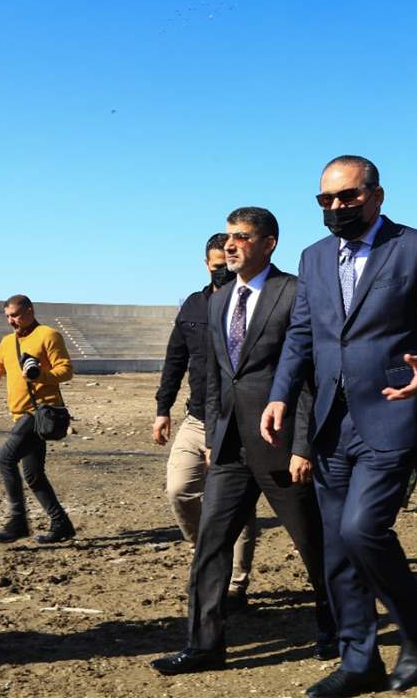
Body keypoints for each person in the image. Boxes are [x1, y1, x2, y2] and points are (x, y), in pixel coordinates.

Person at [262, 156, 417, 696]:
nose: (336, 207)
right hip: (330, 422)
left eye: (348, 196)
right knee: (337, 550)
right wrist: (281, 395)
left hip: (391, 411)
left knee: (362, 530)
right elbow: (302, 334)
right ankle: (360, 661)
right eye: (326, 199)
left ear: (376, 195)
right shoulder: (314, 257)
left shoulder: (416, 248)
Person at [151, 207, 336, 676]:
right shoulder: (218, 301)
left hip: (281, 446)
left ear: (269, 243)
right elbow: (216, 377)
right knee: (211, 544)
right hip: (230, 448)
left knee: (313, 542)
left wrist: (303, 445)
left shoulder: (294, 292)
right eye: (229, 236)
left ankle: (334, 626)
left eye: (243, 237)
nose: (231, 245)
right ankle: (203, 646)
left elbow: (311, 377)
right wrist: (214, 436)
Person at [153, 233, 259, 611]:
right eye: (216, 266)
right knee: (179, 489)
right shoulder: (194, 306)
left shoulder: (253, 304)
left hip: (240, 422)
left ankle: (235, 583)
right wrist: (162, 409)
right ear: (206, 264)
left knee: (238, 504)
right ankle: (208, 552)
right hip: (197, 418)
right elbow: (175, 360)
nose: (222, 272)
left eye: (227, 265)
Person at [0, 295, 76, 545]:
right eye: (8, 316)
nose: (11, 321)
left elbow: (66, 370)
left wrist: (39, 375)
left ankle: (18, 522)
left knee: (4, 459)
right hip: (21, 416)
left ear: (30, 311)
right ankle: (61, 523)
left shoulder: (48, 335)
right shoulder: (7, 342)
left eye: (16, 315)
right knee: (34, 475)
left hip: (39, 413)